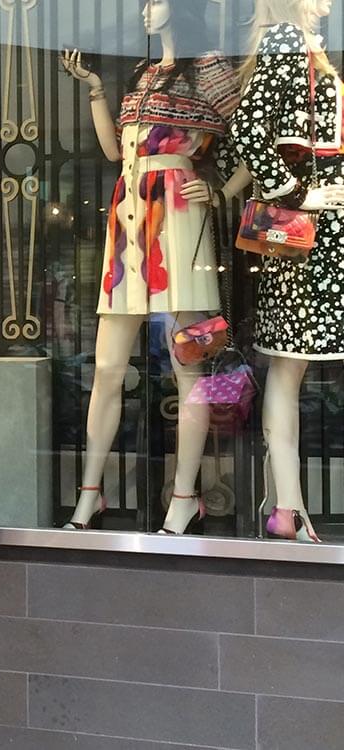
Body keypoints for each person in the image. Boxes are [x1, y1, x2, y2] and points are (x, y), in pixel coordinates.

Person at [60, 0, 252, 534]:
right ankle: (90, 495)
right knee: (105, 367)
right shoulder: (145, 74)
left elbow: (256, 139)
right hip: (128, 224)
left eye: (156, 0)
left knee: (189, 365)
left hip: (180, 218)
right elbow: (112, 151)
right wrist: (97, 90)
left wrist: (218, 188)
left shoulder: (209, 67)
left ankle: (185, 496)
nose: (147, 10)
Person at [229, 0, 344, 542]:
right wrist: (295, 195)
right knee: (289, 365)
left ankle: (286, 506)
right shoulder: (285, 41)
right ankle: (289, 507)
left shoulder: (308, 50)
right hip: (305, 237)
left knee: (292, 365)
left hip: (321, 237)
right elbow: (249, 128)